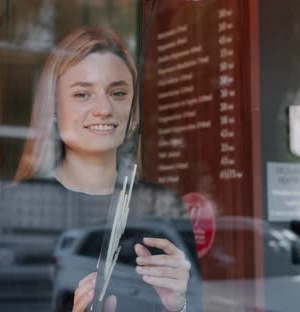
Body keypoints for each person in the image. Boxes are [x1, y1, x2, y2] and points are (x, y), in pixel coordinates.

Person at [13, 27, 200, 312]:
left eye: (118, 92)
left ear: (134, 112)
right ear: (52, 108)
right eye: (83, 94)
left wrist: (180, 305)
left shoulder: (165, 206)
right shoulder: (16, 207)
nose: (104, 108)